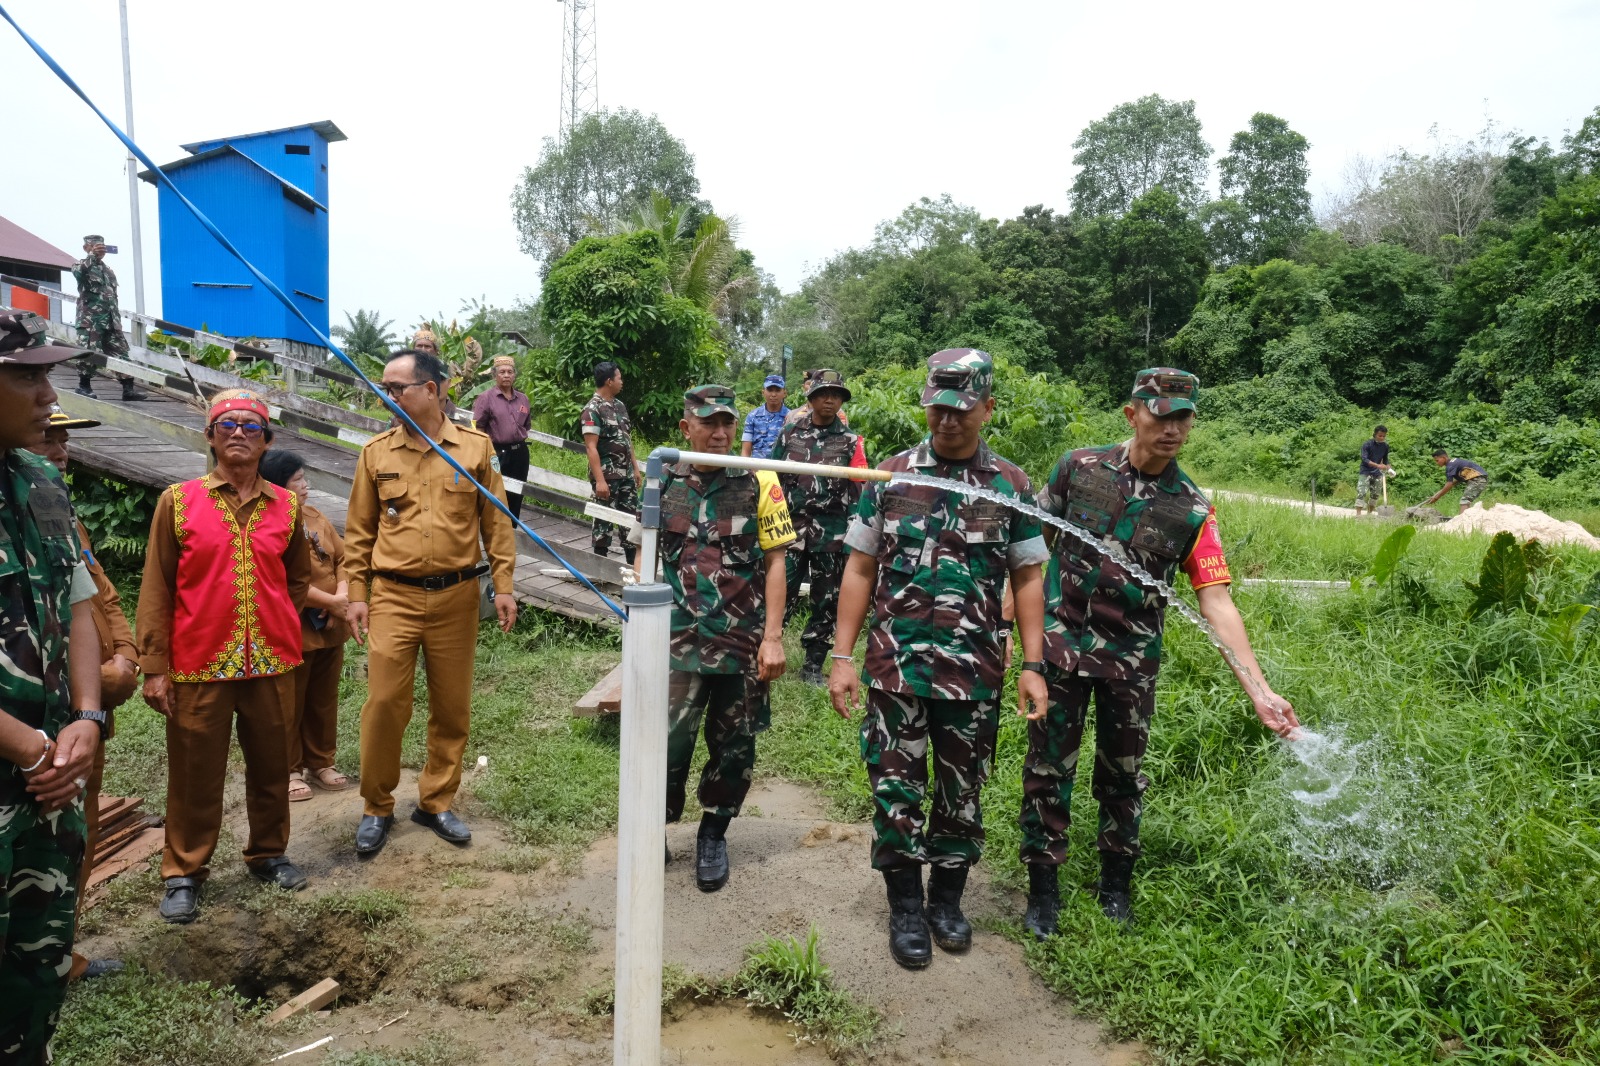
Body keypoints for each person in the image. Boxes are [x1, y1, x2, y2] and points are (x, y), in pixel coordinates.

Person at [1019, 368, 1299, 939]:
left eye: (1183, 416)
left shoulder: (1191, 508)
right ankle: (1043, 889)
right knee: (1048, 769)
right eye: (1161, 413)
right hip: (1058, 649)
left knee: (1123, 774)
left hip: (1131, 661)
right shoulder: (1078, 467)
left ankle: (1115, 885)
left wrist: (1260, 690)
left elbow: (1216, 600)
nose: (1172, 428)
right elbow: (1030, 552)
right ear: (1133, 414)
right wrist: (1012, 632)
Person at [828, 349, 1049, 971]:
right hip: (896, 667)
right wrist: (842, 656)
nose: (947, 421)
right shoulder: (892, 475)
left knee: (961, 793)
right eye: (936, 409)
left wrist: (1033, 665)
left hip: (973, 671)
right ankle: (904, 907)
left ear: (987, 408)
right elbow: (861, 566)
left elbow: (1029, 577)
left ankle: (946, 900)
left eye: (960, 410)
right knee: (895, 789)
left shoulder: (1011, 485)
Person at [137, 389, 314, 922]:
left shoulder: (288, 505)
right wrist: (154, 667)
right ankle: (184, 871)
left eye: (251, 426)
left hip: (271, 662)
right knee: (194, 770)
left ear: (268, 442)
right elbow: (157, 587)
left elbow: (298, 578)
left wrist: (274, 618)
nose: (239, 433)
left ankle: (268, 853)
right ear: (211, 435)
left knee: (272, 764)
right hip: (197, 665)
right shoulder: (179, 500)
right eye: (227, 424)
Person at [343, 349, 518, 858]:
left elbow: (497, 525)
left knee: (451, 707)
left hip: (457, 596)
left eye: (397, 388)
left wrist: (503, 586)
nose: (388, 396)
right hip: (393, 594)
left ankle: (436, 800)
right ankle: (377, 806)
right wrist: (357, 594)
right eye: (385, 387)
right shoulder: (375, 453)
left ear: (433, 390)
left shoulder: (473, 449)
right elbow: (358, 533)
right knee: (382, 705)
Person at [0, 311, 104, 1062]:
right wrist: (28, 748)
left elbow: (79, 605)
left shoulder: (40, 481)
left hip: (49, 780)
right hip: (27, 764)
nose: (48, 394)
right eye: (27, 375)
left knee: (36, 965)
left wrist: (88, 718)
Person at [660, 385, 794, 893]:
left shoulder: (761, 480)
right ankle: (656, 829)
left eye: (727, 424)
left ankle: (713, 831)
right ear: (686, 427)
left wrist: (774, 638)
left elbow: (778, 561)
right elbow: (642, 552)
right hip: (675, 639)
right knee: (665, 742)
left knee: (734, 744)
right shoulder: (662, 478)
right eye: (708, 423)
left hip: (741, 640)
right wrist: (638, 621)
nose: (719, 434)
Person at [31, 406, 140, 982]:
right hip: (32, 719)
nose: (60, 448)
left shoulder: (57, 510)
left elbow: (103, 596)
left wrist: (124, 658)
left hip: (85, 710)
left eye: (64, 438)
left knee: (78, 830)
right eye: (49, 435)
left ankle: (59, 953)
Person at [258, 451, 353, 803]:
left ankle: (321, 761)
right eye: (298, 479)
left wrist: (341, 595)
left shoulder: (314, 516)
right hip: (293, 626)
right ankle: (289, 769)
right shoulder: (266, 523)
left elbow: (342, 557)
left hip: (330, 625)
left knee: (323, 698)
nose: (305, 485)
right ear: (277, 485)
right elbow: (278, 578)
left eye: (303, 478)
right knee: (289, 702)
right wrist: (329, 603)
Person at [769, 368, 867, 685]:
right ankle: (765, 651)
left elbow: (859, 490)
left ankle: (813, 665)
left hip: (832, 533)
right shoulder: (789, 435)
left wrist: (855, 537)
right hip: (789, 531)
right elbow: (771, 480)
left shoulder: (852, 442)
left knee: (827, 601)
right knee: (778, 593)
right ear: (810, 398)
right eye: (823, 394)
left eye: (835, 394)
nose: (829, 399)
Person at [580, 361, 641, 565]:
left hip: (626, 475)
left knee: (631, 520)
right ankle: (600, 568)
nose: (621, 381)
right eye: (619, 377)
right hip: (606, 476)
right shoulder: (592, 409)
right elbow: (591, 447)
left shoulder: (620, 406)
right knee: (603, 520)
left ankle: (633, 568)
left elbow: (627, 439)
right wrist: (600, 481)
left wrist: (635, 468)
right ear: (609, 381)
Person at [71, 234, 144, 402]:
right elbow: (80, 272)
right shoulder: (80, 265)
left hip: (111, 320)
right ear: (86, 248)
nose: (99, 250)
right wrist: (92, 256)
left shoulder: (108, 271)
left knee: (122, 354)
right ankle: (84, 386)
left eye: (101, 247)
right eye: (94, 246)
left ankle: (128, 390)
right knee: (89, 353)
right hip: (91, 321)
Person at [471, 356, 532, 520]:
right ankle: (496, 530)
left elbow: (526, 425)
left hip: (520, 453)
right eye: (502, 372)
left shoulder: (523, 399)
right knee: (497, 493)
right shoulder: (486, 398)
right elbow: (477, 426)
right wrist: (485, 450)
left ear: (514, 375)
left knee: (517, 493)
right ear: (495, 376)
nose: (506, 375)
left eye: (510, 372)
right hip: (498, 453)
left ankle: (513, 529)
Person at [1422, 451, 1489, 514]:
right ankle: (1467, 519)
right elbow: (1454, 483)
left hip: (1477, 479)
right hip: (1480, 479)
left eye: (1437, 460)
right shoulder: (1453, 462)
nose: (1437, 463)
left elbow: (1449, 484)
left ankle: (1462, 522)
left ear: (1443, 458)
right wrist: (1436, 495)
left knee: (1464, 501)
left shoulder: (1450, 466)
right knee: (1466, 500)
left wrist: (1437, 498)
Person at [740, 374, 789, 458]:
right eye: (770, 390)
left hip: (781, 468)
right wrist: (747, 470)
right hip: (755, 467)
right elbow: (745, 450)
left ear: (784, 393)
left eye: (777, 390)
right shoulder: (753, 416)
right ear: (763, 392)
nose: (773, 394)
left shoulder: (791, 417)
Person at [1356, 425, 1392, 515]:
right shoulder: (1367, 444)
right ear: (1375, 434)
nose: (1382, 438)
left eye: (1384, 436)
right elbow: (1364, 459)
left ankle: (1369, 514)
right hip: (1365, 471)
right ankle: (1358, 515)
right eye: (1380, 436)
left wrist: (1388, 467)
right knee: (1362, 492)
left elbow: (1385, 459)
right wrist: (1377, 465)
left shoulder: (1385, 446)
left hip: (1378, 473)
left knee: (1375, 494)